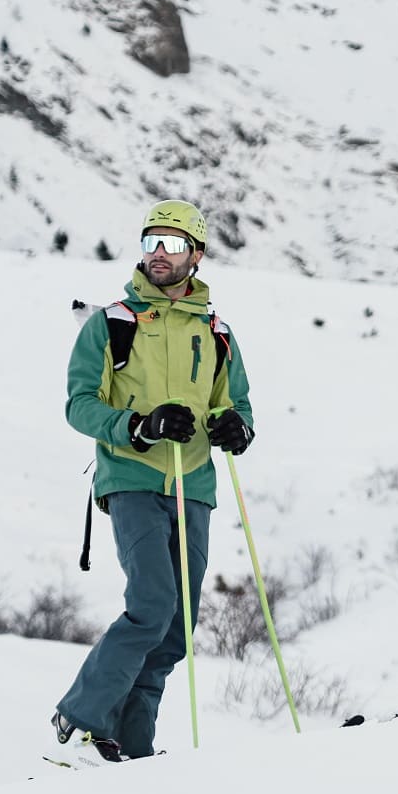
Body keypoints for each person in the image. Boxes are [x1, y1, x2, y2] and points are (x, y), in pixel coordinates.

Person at [51, 200, 255, 761]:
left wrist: (234, 427)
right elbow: (79, 405)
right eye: (150, 243)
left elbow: (234, 403)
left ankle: (130, 746)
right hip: (133, 477)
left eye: (170, 243)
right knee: (152, 603)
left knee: (175, 627)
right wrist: (137, 425)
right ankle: (81, 715)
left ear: (196, 253)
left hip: (194, 485)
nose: (158, 254)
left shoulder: (216, 332)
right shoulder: (112, 322)